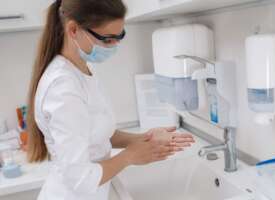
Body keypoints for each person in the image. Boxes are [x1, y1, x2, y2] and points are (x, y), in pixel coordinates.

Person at [26, 0, 195, 200]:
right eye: (108, 39)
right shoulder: (63, 88)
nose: (115, 45)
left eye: (120, 36)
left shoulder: (83, 68)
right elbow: (80, 179)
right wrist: (131, 156)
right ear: (73, 30)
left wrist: (144, 139)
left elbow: (96, 132)